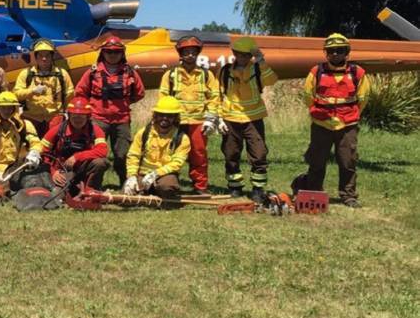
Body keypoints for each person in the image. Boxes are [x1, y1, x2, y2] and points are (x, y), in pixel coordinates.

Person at [291, 33, 370, 208]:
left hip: (347, 124)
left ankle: (348, 195)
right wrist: (317, 113)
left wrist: (351, 115)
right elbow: (307, 95)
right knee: (317, 161)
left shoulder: (358, 73)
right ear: (326, 53)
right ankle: (314, 192)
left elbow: (363, 98)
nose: (335, 54)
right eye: (331, 51)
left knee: (347, 161)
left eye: (339, 50)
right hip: (321, 124)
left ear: (346, 52)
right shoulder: (316, 72)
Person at [73, 36, 145, 187]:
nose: (113, 55)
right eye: (109, 52)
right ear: (103, 53)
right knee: (95, 152)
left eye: (117, 52)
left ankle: (126, 183)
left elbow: (139, 93)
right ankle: (92, 184)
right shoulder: (92, 72)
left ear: (122, 54)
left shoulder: (129, 72)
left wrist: (124, 102)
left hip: (121, 120)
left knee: (123, 154)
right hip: (98, 119)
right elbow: (80, 92)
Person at [217, 36, 278, 202]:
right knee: (231, 154)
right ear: (234, 53)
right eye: (239, 54)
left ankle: (258, 189)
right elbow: (218, 94)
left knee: (259, 154)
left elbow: (272, 80)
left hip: (253, 118)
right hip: (230, 118)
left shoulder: (257, 69)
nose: (242, 57)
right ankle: (235, 187)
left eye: (246, 55)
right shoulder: (225, 71)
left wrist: (262, 60)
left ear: (251, 56)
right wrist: (218, 118)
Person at [158, 35, 220, 195]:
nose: (190, 55)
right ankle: (169, 184)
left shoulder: (206, 75)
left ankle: (200, 187)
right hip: (176, 122)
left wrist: (211, 118)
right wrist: (164, 120)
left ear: (198, 54)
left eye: (193, 52)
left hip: (198, 122)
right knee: (169, 153)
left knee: (198, 154)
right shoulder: (170, 75)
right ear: (180, 54)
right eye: (187, 52)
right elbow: (163, 97)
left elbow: (214, 97)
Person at [123, 96, 191, 199]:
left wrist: (156, 174)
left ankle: (157, 191)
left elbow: (177, 163)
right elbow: (133, 155)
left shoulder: (182, 138)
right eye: (161, 115)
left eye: (169, 116)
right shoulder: (144, 133)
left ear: (175, 118)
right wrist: (132, 176)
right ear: (155, 115)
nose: (164, 118)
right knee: (128, 192)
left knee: (167, 188)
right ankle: (147, 190)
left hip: (165, 175)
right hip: (143, 174)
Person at [38, 97, 109, 191]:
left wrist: (77, 157)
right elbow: (42, 152)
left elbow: (102, 151)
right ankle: (74, 188)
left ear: (88, 117)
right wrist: (53, 172)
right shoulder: (57, 130)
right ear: (69, 115)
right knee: (59, 193)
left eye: (81, 117)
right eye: (74, 116)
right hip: (62, 170)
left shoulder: (95, 130)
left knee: (100, 162)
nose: (78, 120)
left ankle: (91, 190)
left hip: (83, 168)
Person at [13, 39, 74, 137]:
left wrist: (68, 116)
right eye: (40, 56)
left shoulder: (62, 74)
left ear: (52, 57)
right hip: (31, 118)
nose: (44, 59)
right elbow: (16, 95)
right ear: (36, 57)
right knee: (31, 147)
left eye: (47, 56)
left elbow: (70, 95)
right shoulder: (26, 74)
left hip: (54, 118)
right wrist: (32, 91)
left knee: (53, 147)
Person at [0, 92, 42, 189]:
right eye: (3, 108)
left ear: (14, 109)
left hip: (20, 166)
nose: (6, 111)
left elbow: (35, 142)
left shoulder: (25, 125)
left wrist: (34, 153)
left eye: (9, 107)